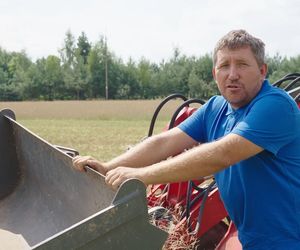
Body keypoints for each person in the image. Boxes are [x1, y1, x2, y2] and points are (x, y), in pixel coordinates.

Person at [73, 30, 300, 249]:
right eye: (224, 66)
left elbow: (223, 154)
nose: (232, 74)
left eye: (242, 64)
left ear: (262, 71)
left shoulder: (275, 106)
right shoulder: (215, 108)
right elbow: (164, 142)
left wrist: (140, 176)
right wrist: (107, 167)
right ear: (214, 73)